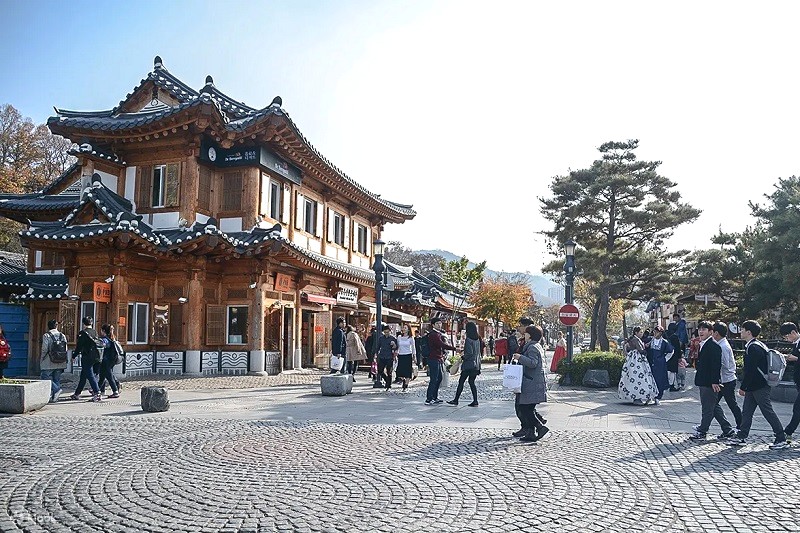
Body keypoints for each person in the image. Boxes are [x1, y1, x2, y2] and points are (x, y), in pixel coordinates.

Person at [727, 320, 788, 449]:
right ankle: (742, 436)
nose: (741, 332)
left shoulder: (753, 347)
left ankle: (781, 438)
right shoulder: (757, 345)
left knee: (767, 411)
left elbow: (751, 370)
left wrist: (743, 387)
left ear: (748, 332)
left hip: (758, 386)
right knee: (747, 412)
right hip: (755, 385)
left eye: (743, 329)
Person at [689, 321, 734, 441]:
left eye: (704, 329)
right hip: (704, 380)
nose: (701, 332)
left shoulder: (714, 346)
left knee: (708, 408)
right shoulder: (703, 344)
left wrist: (715, 381)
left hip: (709, 382)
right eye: (700, 329)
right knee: (714, 407)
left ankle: (703, 431)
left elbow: (716, 365)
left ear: (711, 332)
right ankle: (727, 429)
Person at [512, 325, 549, 442]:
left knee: (525, 409)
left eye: (527, 333)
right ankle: (531, 433)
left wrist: (520, 357)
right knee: (528, 408)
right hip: (533, 381)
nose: (525, 334)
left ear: (531, 335)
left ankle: (540, 427)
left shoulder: (532, 347)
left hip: (531, 382)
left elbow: (533, 363)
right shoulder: (535, 346)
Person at [712, 321, 742, 430]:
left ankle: (740, 425)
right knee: (713, 404)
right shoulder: (720, 344)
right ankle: (723, 426)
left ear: (716, 333)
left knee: (731, 404)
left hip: (727, 380)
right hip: (724, 379)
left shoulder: (723, 346)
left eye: (712, 331)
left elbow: (724, 364)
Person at [618, 327, 658, 405]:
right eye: (640, 332)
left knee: (636, 376)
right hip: (637, 359)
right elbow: (640, 349)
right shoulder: (635, 339)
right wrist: (646, 352)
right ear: (636, 333)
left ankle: (640, 396)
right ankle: (639, 396)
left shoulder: (634, 339)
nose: (642, 334)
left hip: (635, 358)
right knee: (639, 376)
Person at [448, 321, 482, 406]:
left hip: (469, 364)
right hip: (476, 364)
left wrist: (462, 357)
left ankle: (456, 400)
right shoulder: (477, 339)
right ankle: (475, 400)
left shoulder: (468, 339)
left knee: (461, 382)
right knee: (471, 382)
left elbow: (469, 353)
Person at [69, 316, 103, 402]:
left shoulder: (83, 333)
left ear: (83, 324)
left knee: (90, 375)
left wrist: (74, 356)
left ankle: (97, 392)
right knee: (83, 375)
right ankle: (77, 393)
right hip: (96, 356)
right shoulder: (94, 332)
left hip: (87, 356)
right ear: (91, 323)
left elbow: (79, 346)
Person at [425, 317, 458, 405]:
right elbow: (441, 344)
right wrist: (454, 349)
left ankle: (434, 397)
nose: (439, 325)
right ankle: (429, 398)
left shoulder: (438, 334)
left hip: (438, 358)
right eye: (437, 323)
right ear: (433, 325)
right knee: (434, 379)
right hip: (433, 359)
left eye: (440, 323)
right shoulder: (433, 334)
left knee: (439, 378)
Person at [779, 322, 800, 443]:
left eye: (787, 337)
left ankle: (788, 431)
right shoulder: (796, 344)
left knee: (797, 409)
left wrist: (796, 358)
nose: (787, 340)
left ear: (793, 332)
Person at [40, 319, 68, 403]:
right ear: (56, 326)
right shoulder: (62, 335)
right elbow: (65, 348)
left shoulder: (46, 335)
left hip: (49, 360)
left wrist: (42, 357)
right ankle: (55, 397)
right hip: (60, 360)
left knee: (44, 376)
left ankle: (56, 389)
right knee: (57, 378)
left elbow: (44, 348)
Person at [646, 326, 673, 404]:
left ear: (661, 333)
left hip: (660, 365)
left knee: (659, 380)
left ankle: (658, 397)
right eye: (654, 332)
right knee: (650, 380)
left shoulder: (664, 342)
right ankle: (649, 396)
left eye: (656, 332)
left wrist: (664, 359)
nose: (654, 333)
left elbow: (671, 351)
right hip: (651, 363)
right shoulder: (651, 341)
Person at [97, 324, 121, 398]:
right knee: (102, 375)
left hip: (106, 360)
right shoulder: (112, 338)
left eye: (101, 330)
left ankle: (115, 391)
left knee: (109, 376)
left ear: (103, 331)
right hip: (111, 359)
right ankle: (97, 389)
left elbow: (102, 345)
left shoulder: (105, 339)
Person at [375, 325, 398, 390]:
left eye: (387, 332)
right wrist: (376, 353)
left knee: (389, 372)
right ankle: (387, 381)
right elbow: (378, 346)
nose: (386, 334)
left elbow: (396, 348)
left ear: (390, 331)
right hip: (382, 355)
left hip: (389, 356)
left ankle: (388, 385)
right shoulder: (381, 338)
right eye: (385, 332)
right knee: (380, 370)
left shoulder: (393, 338)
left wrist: (394, 345)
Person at [395, 324, 416, 391]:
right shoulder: (399, 337)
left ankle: (406, 385)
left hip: (408, 355)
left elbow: (413, 348)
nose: (404, 329)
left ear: (408, 329)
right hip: (400, 355)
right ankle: (403, 380)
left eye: (405, 328)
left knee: (407, 371)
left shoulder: (410, 338)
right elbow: (397, 346)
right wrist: (395, 353)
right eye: (403, 328)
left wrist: (414, 356)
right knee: (399, 371)